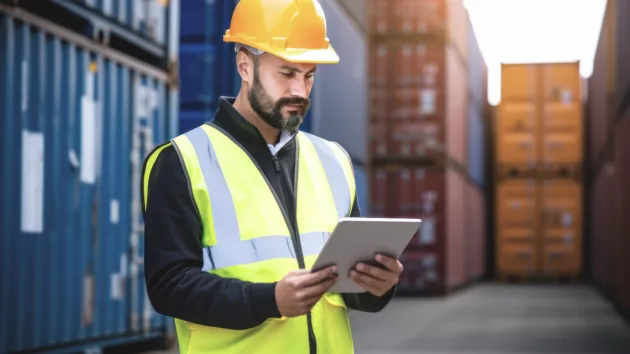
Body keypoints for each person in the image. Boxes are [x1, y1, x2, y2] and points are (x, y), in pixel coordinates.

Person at [141, 0, 403, 353]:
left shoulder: (334, 161)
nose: (300, 91)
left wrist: (378, 286)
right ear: (245, 66)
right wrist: (269, 300)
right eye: (287, 73)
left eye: (309, 75)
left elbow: (347, 290)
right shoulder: (181, 162)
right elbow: (168, 287)